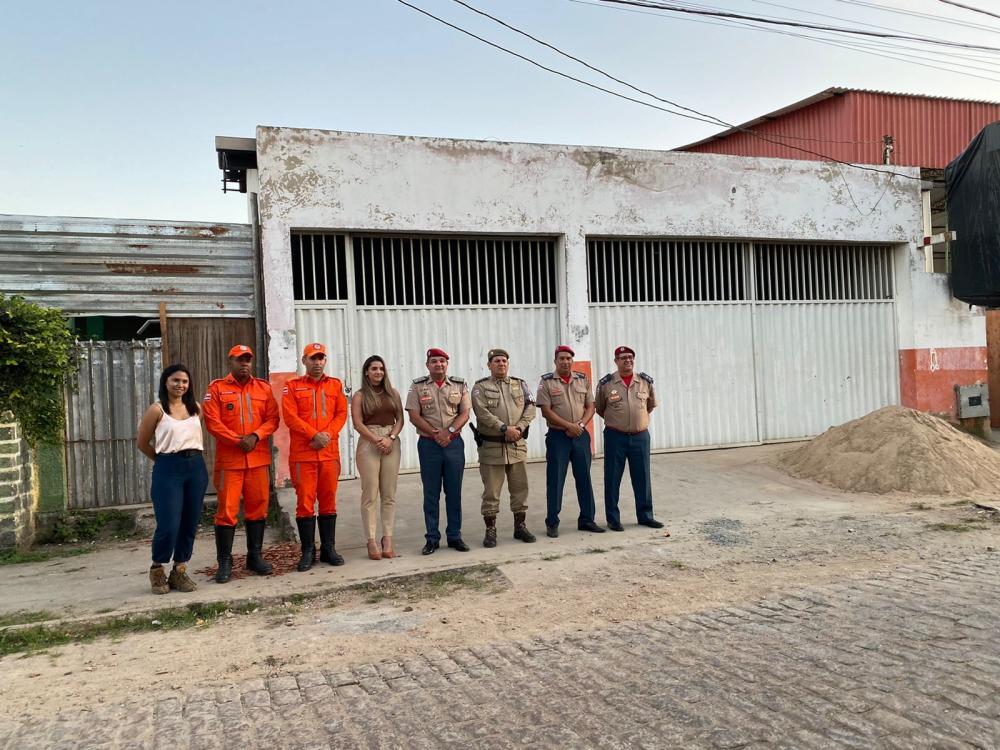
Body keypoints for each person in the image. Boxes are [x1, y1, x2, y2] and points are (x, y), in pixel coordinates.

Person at [203, 344, 280, 583]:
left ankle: (254, 557)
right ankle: (225, 562)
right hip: (230, 461)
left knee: (258, 508)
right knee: (226, 512)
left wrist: (255, 436)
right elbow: (212, 422)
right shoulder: (216, 389)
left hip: (258, 459)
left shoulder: (264, 388)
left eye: (248, 359)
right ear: (231, 362)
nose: (244, 363)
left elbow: (273, 419)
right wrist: (237, 440)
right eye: (239, 359)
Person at [137, 364, 209, 595]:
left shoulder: (196, 408)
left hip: (195, 468)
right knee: (169, 524)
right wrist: (163, 461)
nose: (180, 385)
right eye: (175, 380)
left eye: (184, 381)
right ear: (166, 382)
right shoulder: (157, 410)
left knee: (189, 522)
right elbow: (142, 443)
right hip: (168, 468)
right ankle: (157, 569)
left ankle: (179, 571)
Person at [281, 342, 349, 571]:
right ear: (304, 361)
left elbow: (341, 413)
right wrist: (314, 435)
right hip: (304, 455)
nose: (317, 363)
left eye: (321, 358)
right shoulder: (293, 386)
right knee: (305, 503)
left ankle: (329, 549)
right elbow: (290, 417)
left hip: (329, 453)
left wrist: (326, 435)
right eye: (313, 358)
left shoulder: (335, 385)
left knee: (329, 500)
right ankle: (308, 551)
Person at [405, 348, 472, 555]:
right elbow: (414, 415)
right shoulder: (417, 386)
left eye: (442, 361)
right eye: (434, 361)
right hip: (429, 445)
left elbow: (465, 413)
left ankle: (455, 536)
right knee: (431, 494)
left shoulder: (459, 385)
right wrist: (435, 434)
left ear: (447, 364)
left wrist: (449, 432)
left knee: (454, 492)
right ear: (428, 365)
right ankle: (432, 538)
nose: (438, 364)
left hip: (453, 444)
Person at [535, 345, 604, 537]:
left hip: (580, 436)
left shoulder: (582, 380)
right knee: (556, 480)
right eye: (561, 358)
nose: (565, 361)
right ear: (555, 361)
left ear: (572, 361)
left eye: (568, 358)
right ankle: (552, 522)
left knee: (584, 478)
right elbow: (546, 411)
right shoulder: (546, 382)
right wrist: (568, 426)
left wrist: (580, 425)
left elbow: (591, 406)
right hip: (558, 437)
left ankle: (587, 519)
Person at [471, 348, 537, 547]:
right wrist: (503, 428)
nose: (501, 364)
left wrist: (520, 428)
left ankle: (520, 527)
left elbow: (530, 407)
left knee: (520, 489)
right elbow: (481, 412)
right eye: (497, 361)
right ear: (489, 365)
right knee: (491, 492)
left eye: (504, 361)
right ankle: (490, 530)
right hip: (492, 448)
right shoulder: (480, 387)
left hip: (517, 446)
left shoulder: (520, 384)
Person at [595, 345, 665, 532]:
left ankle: (645, 516)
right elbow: (600, 408)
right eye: (623, 357)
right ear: (616, 361)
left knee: (643, 477)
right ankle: (613, 519)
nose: (628, 360)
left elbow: (650, 406)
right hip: (615, 436)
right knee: (612, 478)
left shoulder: (645, 382)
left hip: (640, 437)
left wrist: (636, 420)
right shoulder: (606, 384)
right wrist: (619, 420)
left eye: (630, 357)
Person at [350, 355, 404, 560]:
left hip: (391, 441)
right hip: (369, 441)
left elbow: (400, 419)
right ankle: (371, 539)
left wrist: (390, 438)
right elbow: (357, 423)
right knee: (370, 493)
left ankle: (387, 537)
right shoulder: (360, 396)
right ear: (366, 372)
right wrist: (376, 440)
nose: (378, 372)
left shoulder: (393, 393)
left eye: (381, 368)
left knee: (389, 493)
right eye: (374, 369)